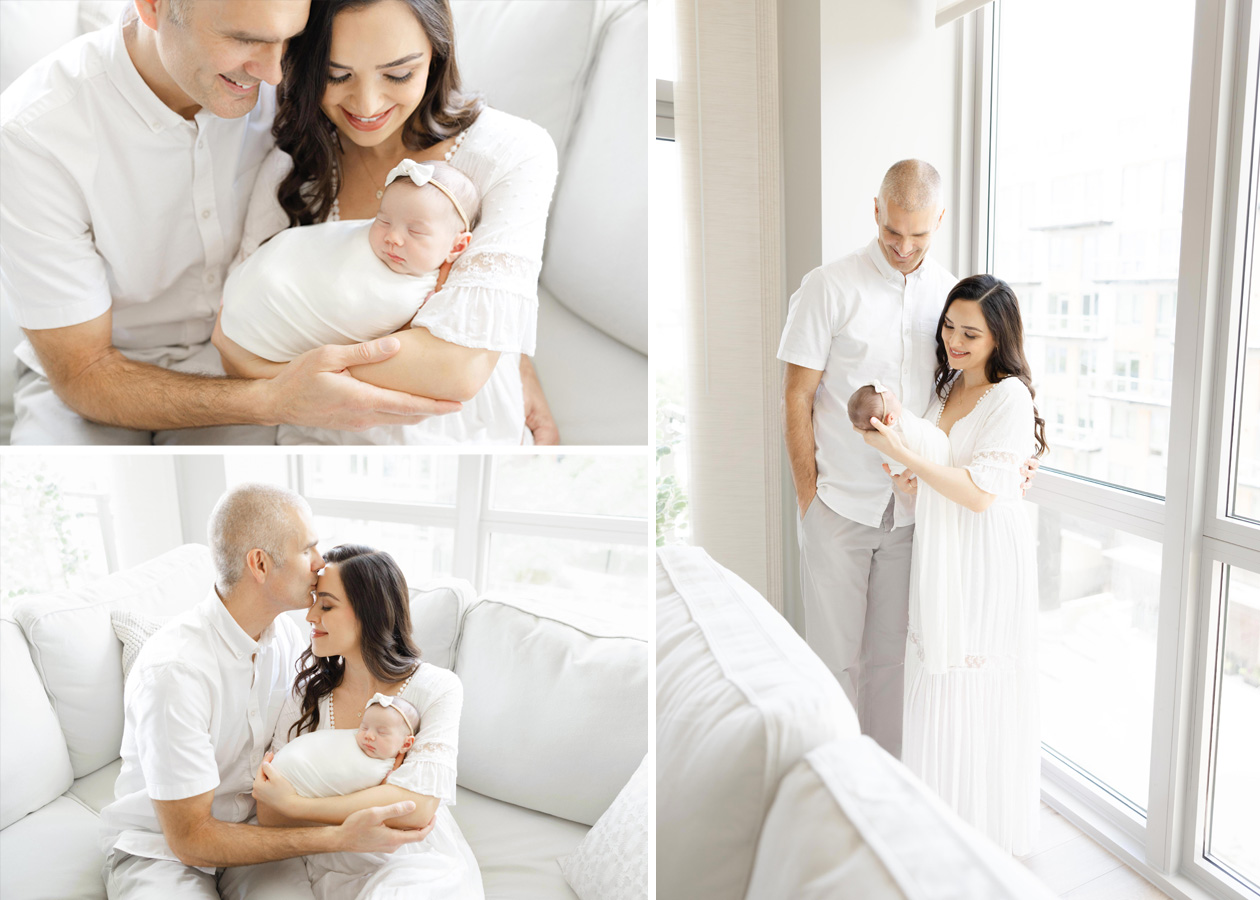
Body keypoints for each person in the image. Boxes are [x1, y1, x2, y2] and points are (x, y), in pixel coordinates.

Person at [229, 0, 560, 445]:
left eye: (398, 74)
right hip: (321, 439)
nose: (367, 105)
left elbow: (456, 372)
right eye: (336, 75)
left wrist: (296, 378)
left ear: (436, 54)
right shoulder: (292, 168)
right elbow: (231, 344)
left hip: (462, 436)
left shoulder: (511, 152)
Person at [99, 485, 432, 899]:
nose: (319, 563)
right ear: (259, 563)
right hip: (163, 851)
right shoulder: (176, 673)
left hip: (256, 838)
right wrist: (335, 836)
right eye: (308, 549)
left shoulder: (289, 639)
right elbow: (191, 838)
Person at [860, 274, 1048, 854]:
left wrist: (904, 454)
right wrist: (906, 474)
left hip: (985, 554)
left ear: (1000, 339)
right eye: (949, 327)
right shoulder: (946, 390)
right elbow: (933, 486)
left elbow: (980, 493)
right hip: (945, 546)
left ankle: (977, 838)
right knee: (936, 679)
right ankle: (939, 826)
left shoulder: (1009, 396)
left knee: (973, 686)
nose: (955, 342)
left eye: (972, 333)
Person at [778, 159, 958, 757]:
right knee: (834, 665)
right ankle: (833, 786)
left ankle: (883, 789)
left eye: (919, 235)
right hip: (838, 510)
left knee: (892, 664)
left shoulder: (951, 298)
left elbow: (960, 396)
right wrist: (809, 499)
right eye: (892, 231)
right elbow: (797, 395)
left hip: (912, 517)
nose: (904, 247)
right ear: (876, 210)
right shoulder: (828, 287)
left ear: (938, 221)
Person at [253, 544, 482, 899]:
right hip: (321, 856)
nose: (311, 616)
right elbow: (269, 810)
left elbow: (416, 808)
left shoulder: (435, 688)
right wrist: (376, 801)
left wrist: (299, 805)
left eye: (326, 605)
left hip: (408, 860)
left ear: (370, 613)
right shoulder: (308, 695)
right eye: (314, 601)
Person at [216, 160, 479, 395]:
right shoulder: (364, 240)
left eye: (415, 232)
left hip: (250, 332)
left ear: (456, 247)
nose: (393, 238)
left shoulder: (410, 297)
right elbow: (320, 245)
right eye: (384, 220)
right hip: (253, 290)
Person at [269, 695, 421, 799]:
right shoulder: (348, 739)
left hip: (292, 793)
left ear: (406, 744)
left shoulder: (382, 773)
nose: (369, 736)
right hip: (284, 768)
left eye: (381, 732)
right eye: (365, 727)